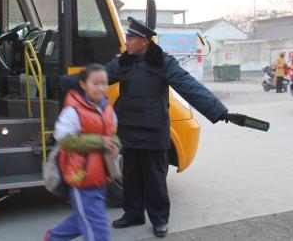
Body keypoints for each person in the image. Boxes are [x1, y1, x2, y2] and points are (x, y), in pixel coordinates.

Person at [60, 17, 229, 238]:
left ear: (144, 41)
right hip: (129, 130)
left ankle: (159, 220)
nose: (126, 42)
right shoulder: (123, 62)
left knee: (155, 180)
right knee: (131, 177)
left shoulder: (163, 62)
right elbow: (96, 79)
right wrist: (61, 81)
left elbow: (190, 87)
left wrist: (218, 111)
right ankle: (133, 214)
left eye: (130, 38)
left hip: (154, 131)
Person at [45, 64, 121, 241]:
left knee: (85, 217)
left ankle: (53, 238)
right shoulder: (73, 110)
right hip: (80, 176)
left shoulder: (108, 109)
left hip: (102, 175)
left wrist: (115, 144)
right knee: (96, 224)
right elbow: (64, 138)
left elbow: (113, 134)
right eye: (96, 83)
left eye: (104, 83)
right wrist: (100, 141)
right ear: (83, 84)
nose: (101, 87)